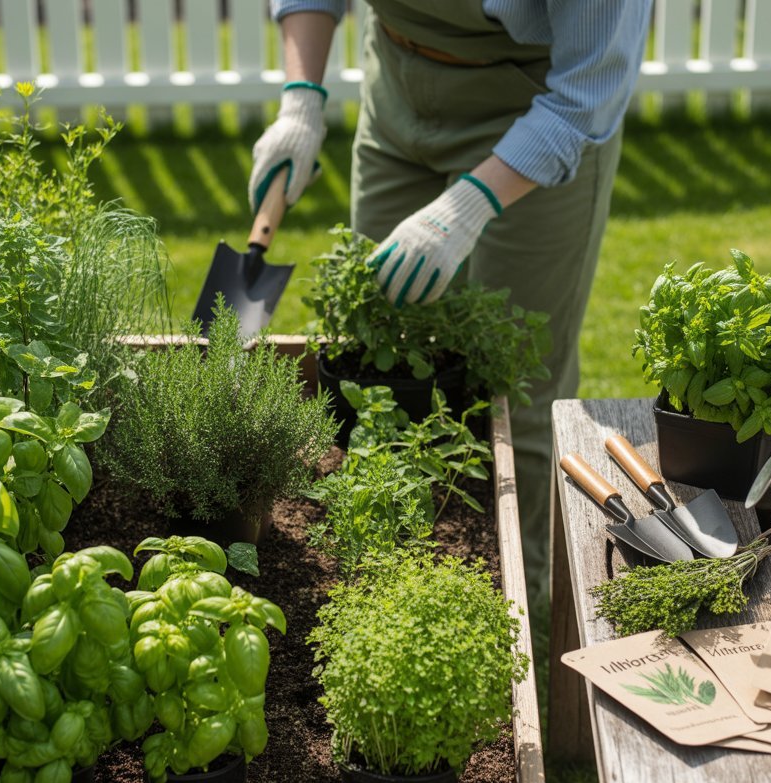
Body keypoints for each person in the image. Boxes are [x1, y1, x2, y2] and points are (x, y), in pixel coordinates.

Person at [249, 1, 652, 621]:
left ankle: (523, 604)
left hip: (536, 102)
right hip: (399, 86)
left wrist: (470, 205)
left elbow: (587, 94)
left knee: (518, 387)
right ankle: (385, 580)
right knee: (375, 366)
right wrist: (301, 102)